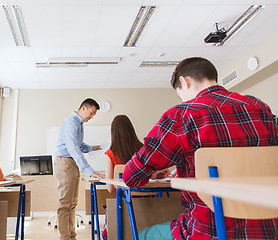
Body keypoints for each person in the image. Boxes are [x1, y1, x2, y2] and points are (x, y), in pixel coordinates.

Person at [123, 57, 278, 239]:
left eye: (180, 95)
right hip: (269, 228)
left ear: (184, 81)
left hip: (208, 231)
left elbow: (131, 177)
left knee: (144, 234)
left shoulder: (181, 115)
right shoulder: (260, 107)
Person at [54, 98, 105, 240]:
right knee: (65, 203)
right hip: (65, 162)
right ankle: (65, 237)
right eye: (91, 113)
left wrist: (91, 148)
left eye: (94, 114)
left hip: (71, 163)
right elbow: (73, 148)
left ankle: (71, 236)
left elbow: (79, 144)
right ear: (83, 108)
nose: (92, 116)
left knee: (72, 202)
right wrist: (89, 170)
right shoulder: (71, 123)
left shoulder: (78, 123)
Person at [104, 115, 144, 193]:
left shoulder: (110, 153)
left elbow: (110, 189)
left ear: (113, 133)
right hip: (147, 197)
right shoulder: (143, 149)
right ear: (131, 130)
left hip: (125, 201)